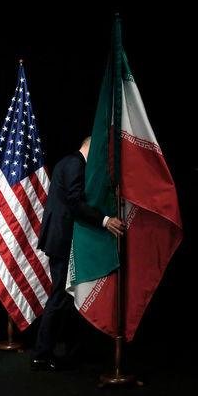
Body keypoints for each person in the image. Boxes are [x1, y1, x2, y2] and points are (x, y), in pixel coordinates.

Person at [32, 136, 124, 371]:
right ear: (89, 147)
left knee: (65, 298)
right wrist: (105, 220)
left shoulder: (68, 162)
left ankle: (68, 350)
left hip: (61, 238)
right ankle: (41, 354)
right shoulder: (75, 164)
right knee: (60, 297)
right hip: (62, 240)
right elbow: (74, 203)